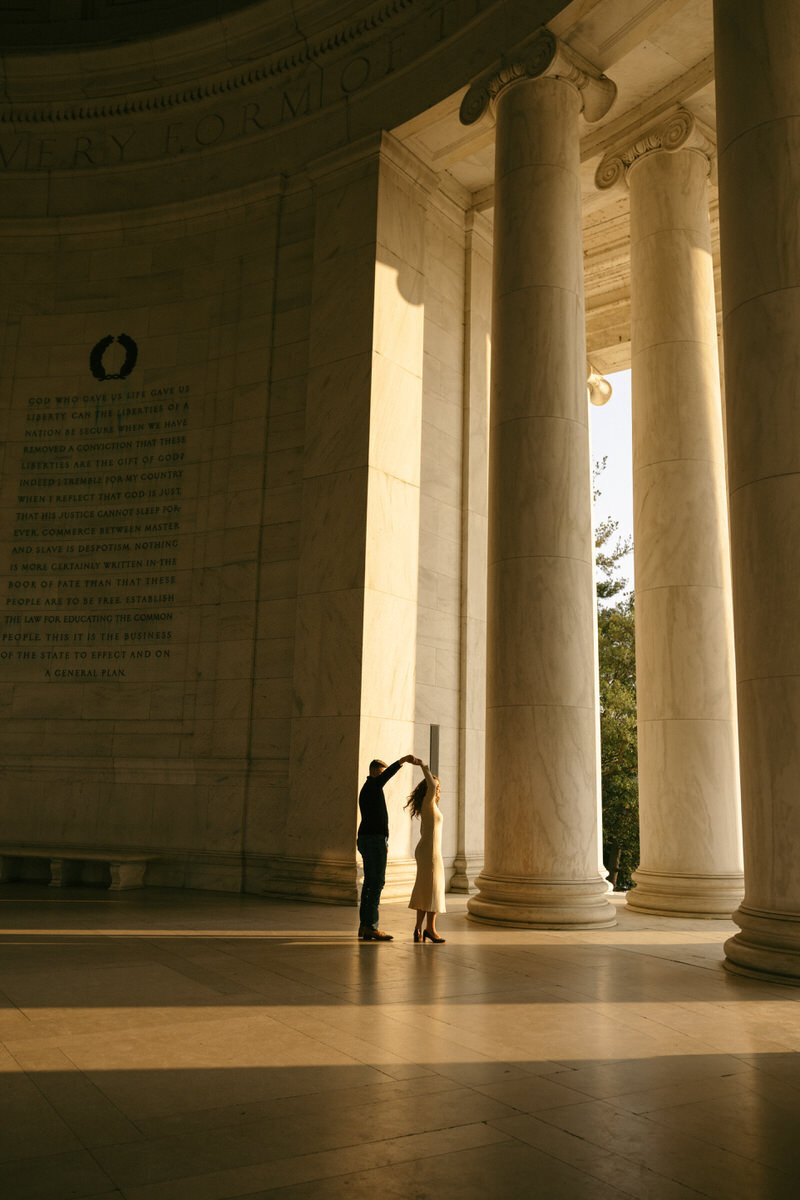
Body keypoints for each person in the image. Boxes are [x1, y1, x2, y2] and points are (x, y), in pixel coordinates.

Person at [357, 754, 417, 941]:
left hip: (371, 839)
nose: (383, 778)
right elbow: (386, 776)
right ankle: (371, 927)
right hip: (374, 840)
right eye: (381, 773)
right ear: (374, 772)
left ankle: (365, 926)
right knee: (376, 883)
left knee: (369, 883)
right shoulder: (373, 785)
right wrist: (402, 761)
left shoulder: (368, 789)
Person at [406, 762, 446, 943]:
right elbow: (430, 784)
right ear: (429, 788)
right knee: (433, 890)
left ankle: (418, 930)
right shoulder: (428, 802)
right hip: (430, 853)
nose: (438, 790)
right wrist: (424, 767)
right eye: (435, 787)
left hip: (429, 851)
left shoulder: (430, 806)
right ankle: (430, 929)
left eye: (439, 788)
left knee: (425, 890)